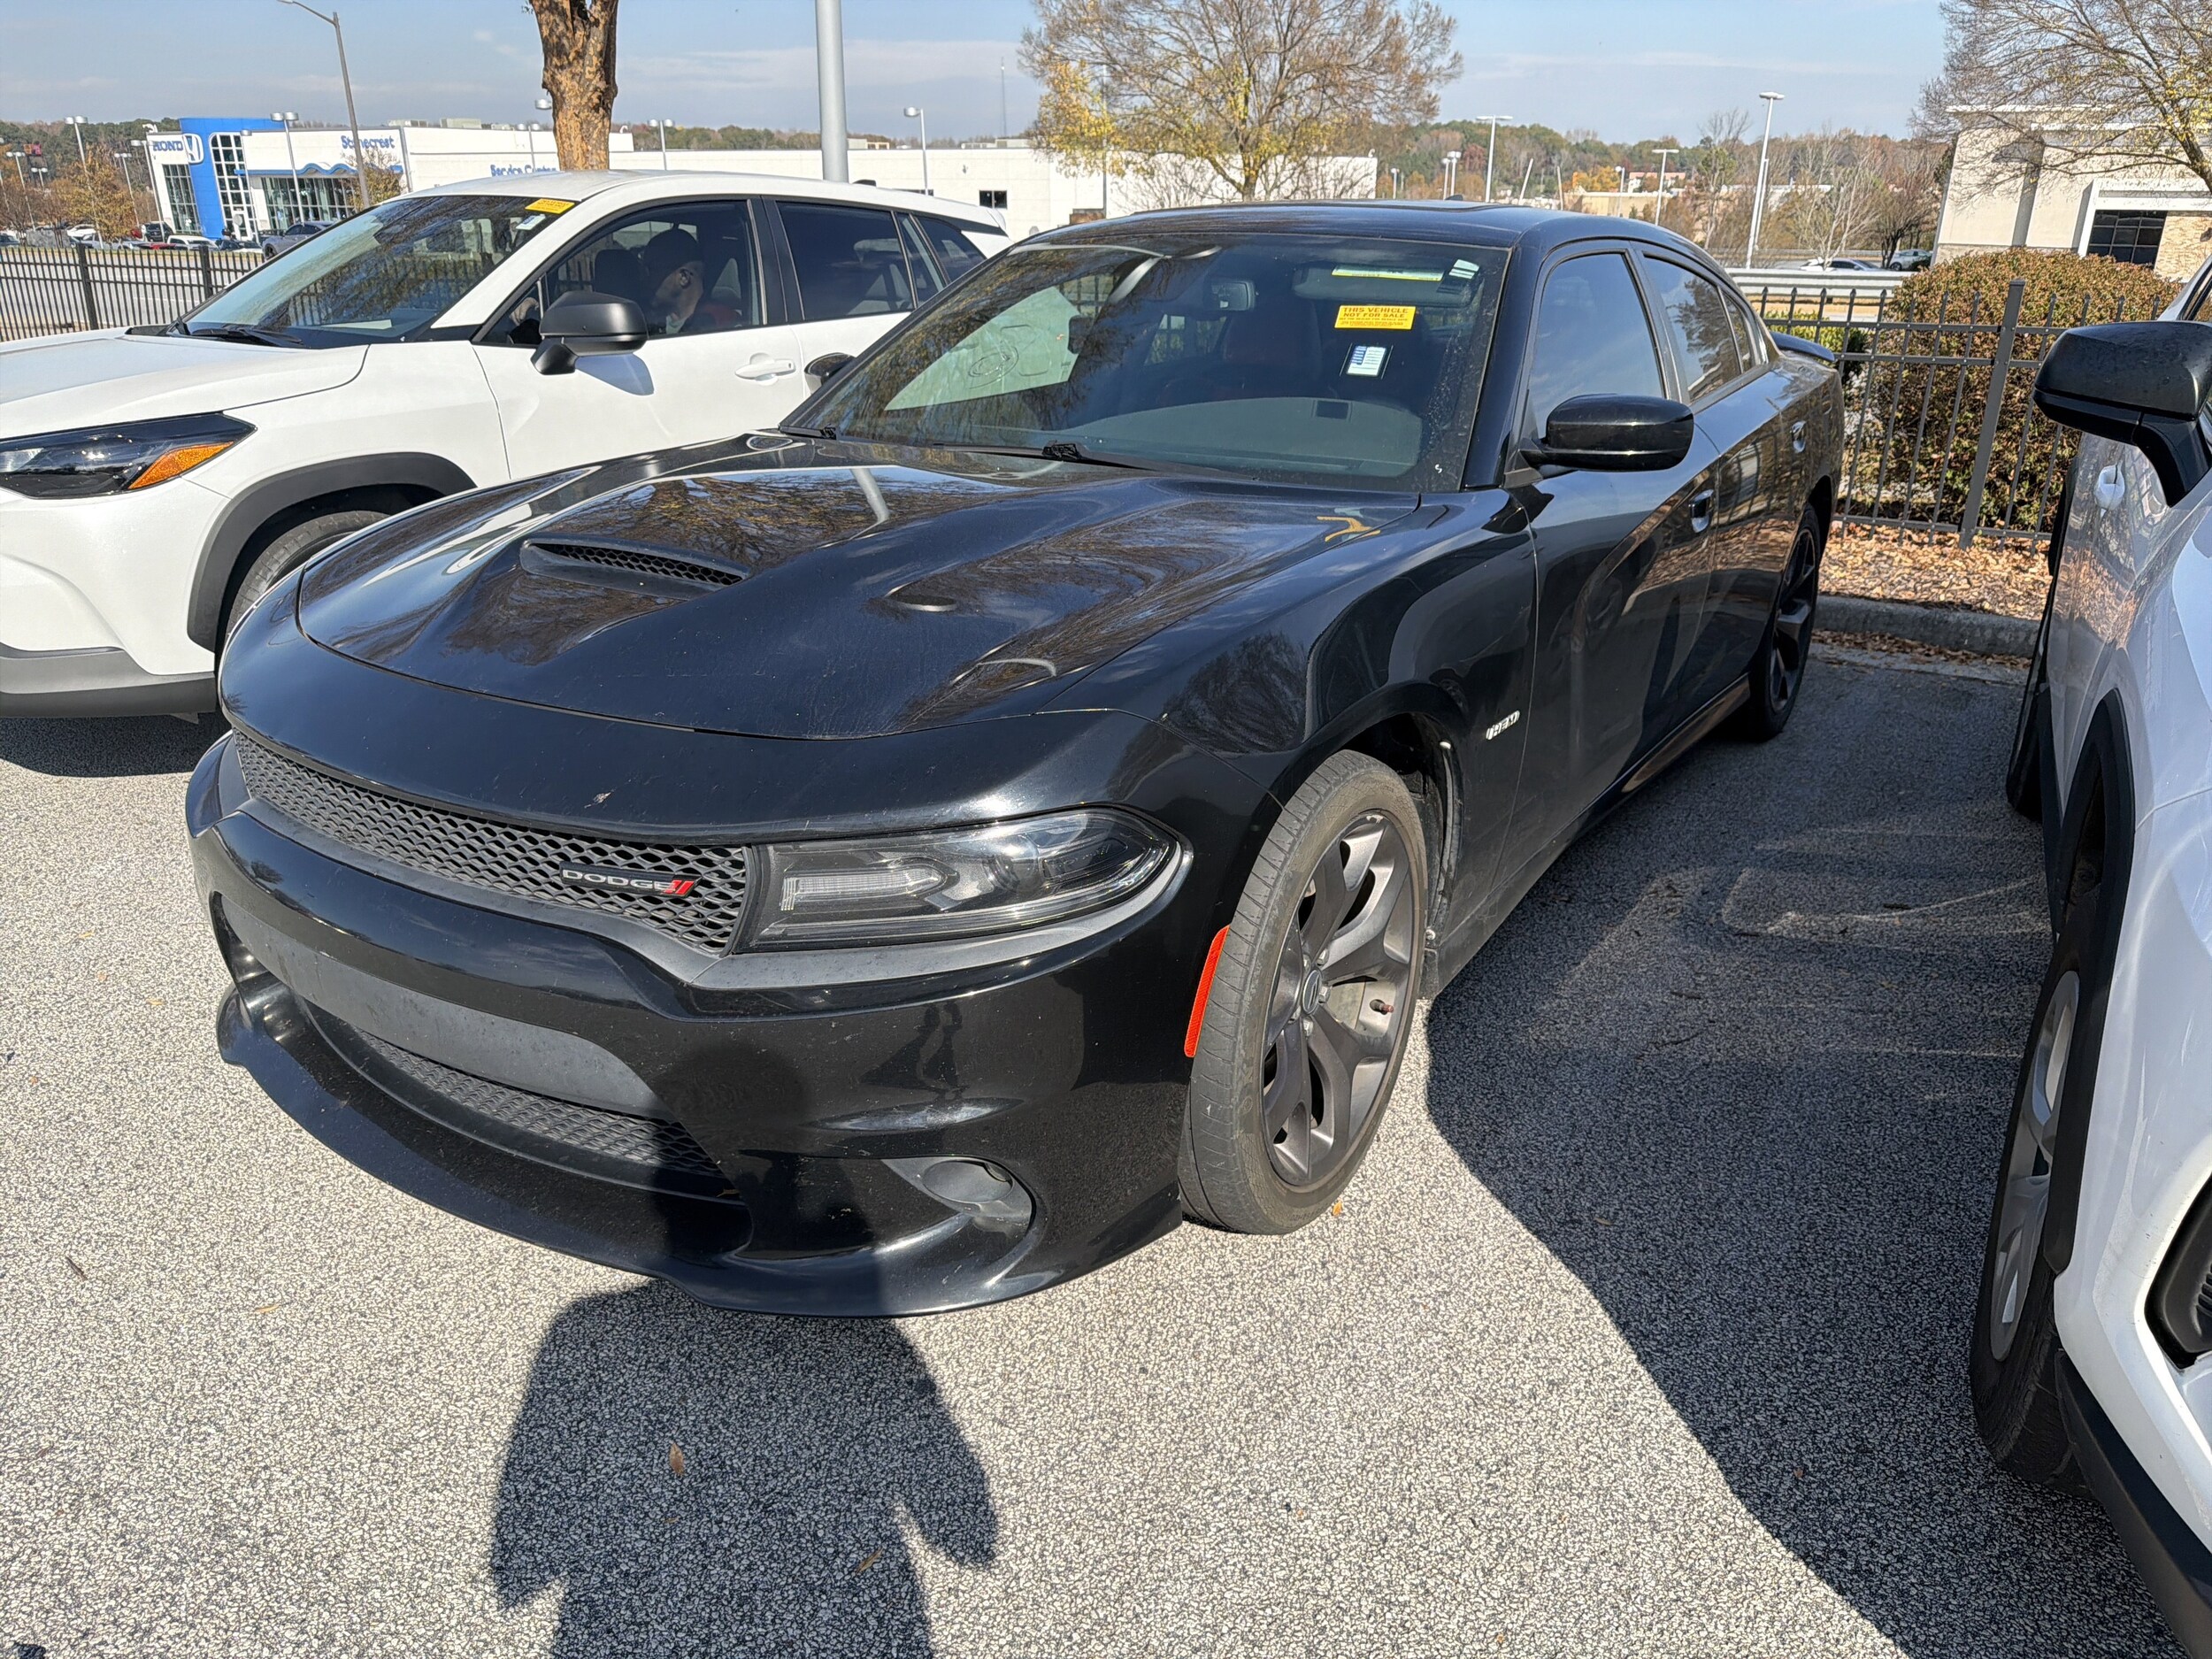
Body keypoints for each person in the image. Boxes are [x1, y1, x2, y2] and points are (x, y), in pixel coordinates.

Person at [638, 227, 736, 335]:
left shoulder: (719, 323)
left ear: (683, 277)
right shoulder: (654, 321)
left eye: (650, 271)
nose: (643, 279)